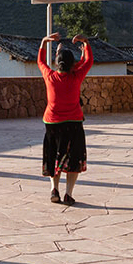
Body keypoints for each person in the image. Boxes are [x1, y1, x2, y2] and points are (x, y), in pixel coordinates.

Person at [39, 32, 93, 205]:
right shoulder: (76, 77)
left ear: (56, 63)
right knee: (73, 159)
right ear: (72, 65)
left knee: (54, 157)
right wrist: (85, 43)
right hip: (74, 124)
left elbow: (40, 61)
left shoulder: (50, 77)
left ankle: (54, 189)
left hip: (52, 123)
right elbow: (88, 62)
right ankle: (69, 194)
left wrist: (44, 41)